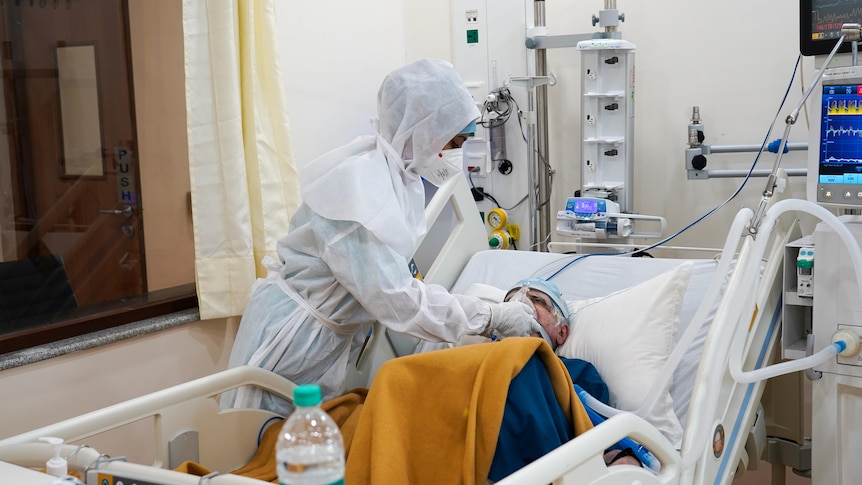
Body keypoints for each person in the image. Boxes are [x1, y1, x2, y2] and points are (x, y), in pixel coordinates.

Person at [222, 59, 541, 416]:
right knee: (259, 450)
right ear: (424, 130)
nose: (457, 153)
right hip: (290, 342)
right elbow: (398, 299)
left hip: (321, 343)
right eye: (456, 140)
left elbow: (393, 276)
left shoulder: (396, 178)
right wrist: (491, 317)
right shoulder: (360, 188)